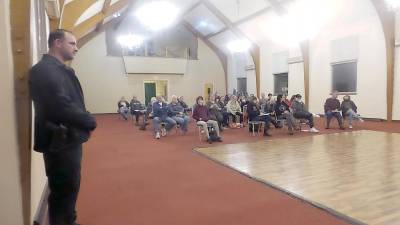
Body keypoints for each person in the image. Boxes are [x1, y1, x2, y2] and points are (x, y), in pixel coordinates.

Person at [29, 29, 97, 225]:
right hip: (59, 139)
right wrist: (88, 120)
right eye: (72, 43)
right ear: (57, 43)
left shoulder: (57, 69)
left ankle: (68, 221)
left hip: (66, 138)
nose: (76, 48)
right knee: (64, 190)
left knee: (69, 188)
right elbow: (60, 104)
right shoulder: (45, 70)